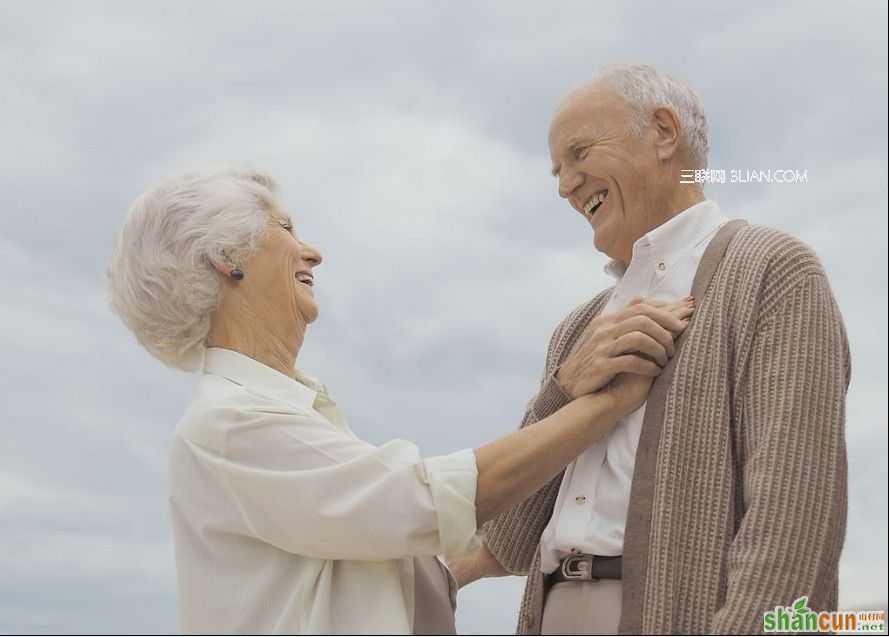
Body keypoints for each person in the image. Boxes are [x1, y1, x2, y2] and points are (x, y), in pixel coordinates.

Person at [105, 168, 693, 634]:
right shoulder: (230, 423)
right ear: (225, 259)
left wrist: (480, 557)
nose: (312, 252)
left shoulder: (276, 415)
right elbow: (419, 503)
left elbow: (376, 549)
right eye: (285, 229)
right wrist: (605, 402)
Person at [450, 63, 851, 635]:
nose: (565, 184)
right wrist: (564, 388)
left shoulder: (773, 271)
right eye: (557, 170)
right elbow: (512, 536)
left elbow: (794, 514)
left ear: (664, 132)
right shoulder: (579, 327)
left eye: (579, 152)